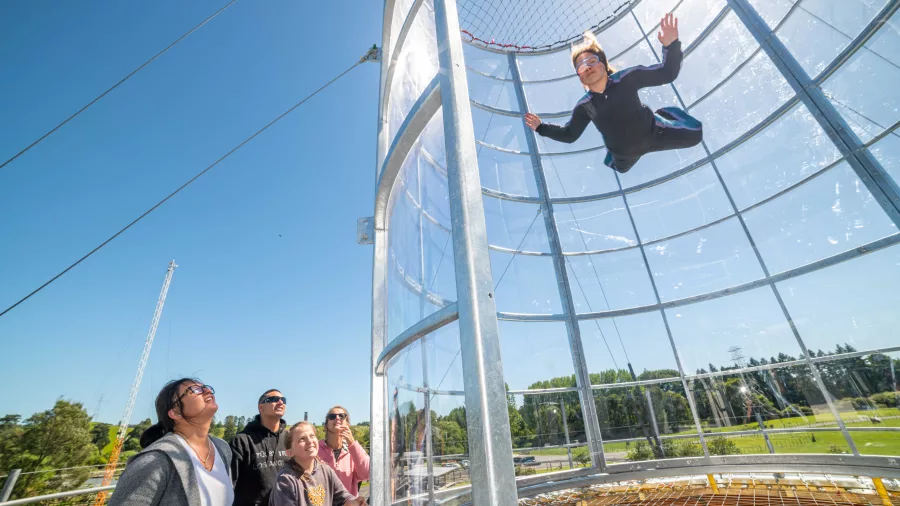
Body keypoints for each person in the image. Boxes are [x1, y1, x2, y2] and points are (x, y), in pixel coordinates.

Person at [525, 14, 702, 174]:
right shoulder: (586, 106)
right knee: (620, 169)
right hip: (623, 154)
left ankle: (666, 113)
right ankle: (614, 157)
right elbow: (570, 134)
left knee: (696, 133)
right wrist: (541, 128)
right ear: (580, 77)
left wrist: (671, 46)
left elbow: (667, 73)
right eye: (581, 66)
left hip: (655, 132)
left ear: (603, 64)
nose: (587, 67)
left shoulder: (626, 79)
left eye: (592, 61)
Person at [108, 378, 234, 506]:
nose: (207, 390)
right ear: (175, 412)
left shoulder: (222, 448)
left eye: (206, 387)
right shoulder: (155, 461)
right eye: (195, 390)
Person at [269, 422, 366, 506]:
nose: (310, 441)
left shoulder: (326, 470)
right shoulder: (286, 479)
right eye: (302, 439)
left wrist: (354, 502)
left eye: (312, 436)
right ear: (289, 452)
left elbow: (343, 497)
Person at [232, 389, 291, 506]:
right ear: (261, 407)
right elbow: (230, 483)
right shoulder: (242, 441)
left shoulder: (290, 439)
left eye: (283, 400)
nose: (280, 402)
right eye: (273, 399)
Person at [318, 406, 369, 497]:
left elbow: (367, 473)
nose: (337, 418)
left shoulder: (354, 451)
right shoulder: (316, 450)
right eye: (332, 416)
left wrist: (352, 444)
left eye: (342, 416)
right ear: (326, 426)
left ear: (348, 425)